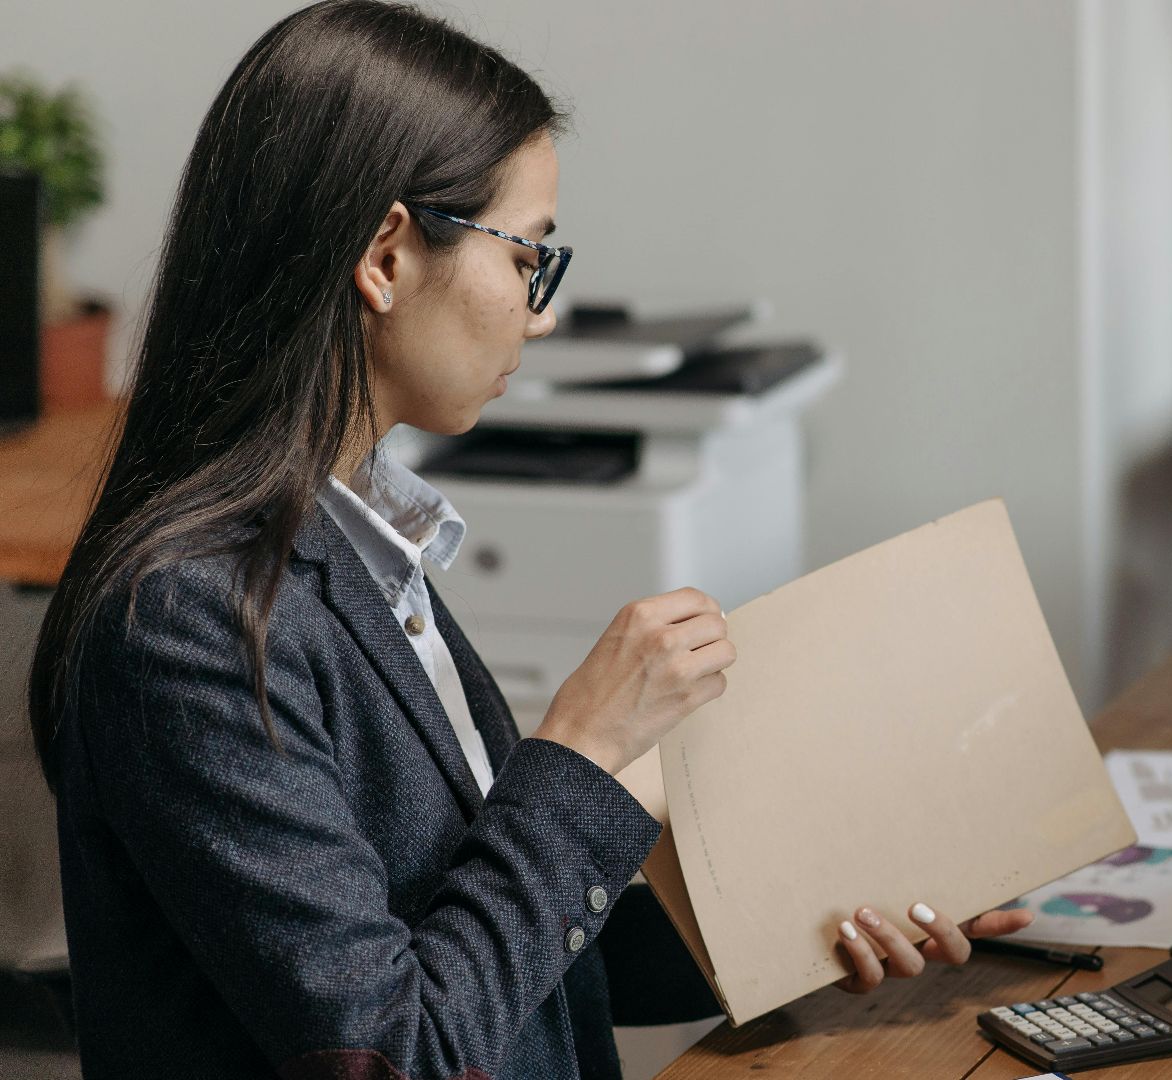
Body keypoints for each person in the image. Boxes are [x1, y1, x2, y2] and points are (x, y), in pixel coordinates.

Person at [25, 3, 1032, 1076]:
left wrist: (813, 918)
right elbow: (397, 1050)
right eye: (527, 259)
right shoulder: (187, 619)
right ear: (386, 255)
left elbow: (497, 954)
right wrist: (583, 750)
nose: (539, 314)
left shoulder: (356, 544)